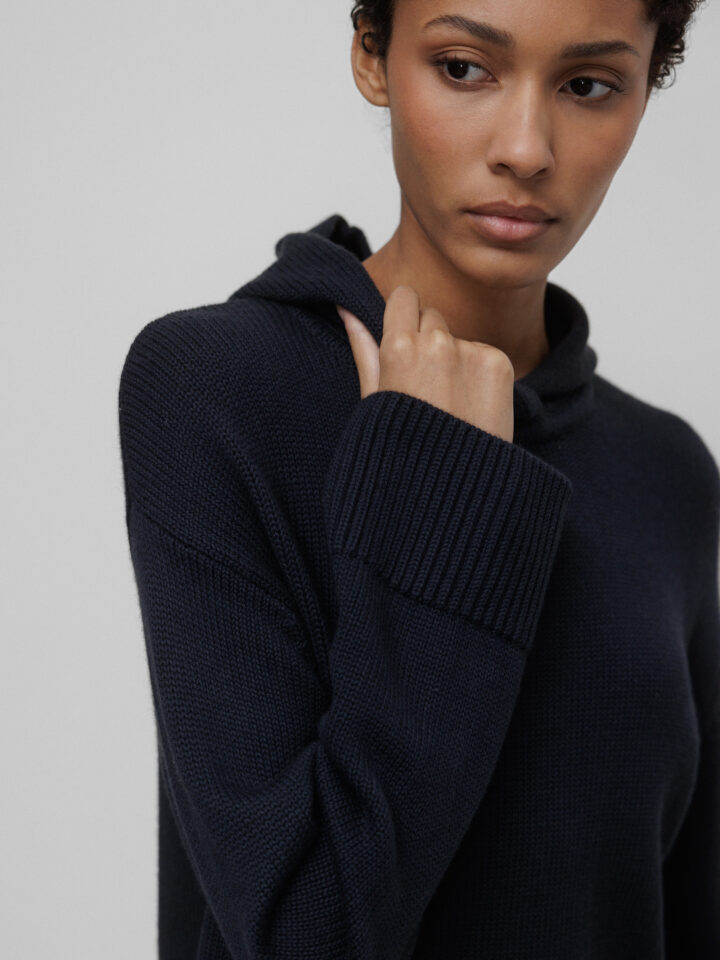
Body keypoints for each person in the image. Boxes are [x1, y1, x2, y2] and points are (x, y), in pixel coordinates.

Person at [118, 0, 718, 957]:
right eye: (464, 67)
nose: (525, 149)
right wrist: (446, 485)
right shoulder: (220, 391)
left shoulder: (668, 472)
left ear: (647, 93)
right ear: (372, 54)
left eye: (588, 85)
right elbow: (308, 935)